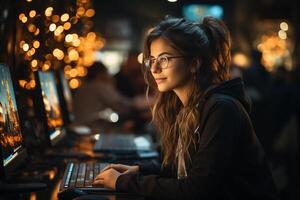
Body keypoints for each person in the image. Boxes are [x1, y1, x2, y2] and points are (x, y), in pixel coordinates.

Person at [92, 16, 279, 200]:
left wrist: (123, 182)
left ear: (194, 63)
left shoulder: (222, 109)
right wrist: (139, 170)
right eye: (152, 59)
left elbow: (196, 190)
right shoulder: (187, 108)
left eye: (164, 59)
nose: (154, 68)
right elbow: (185, 169)